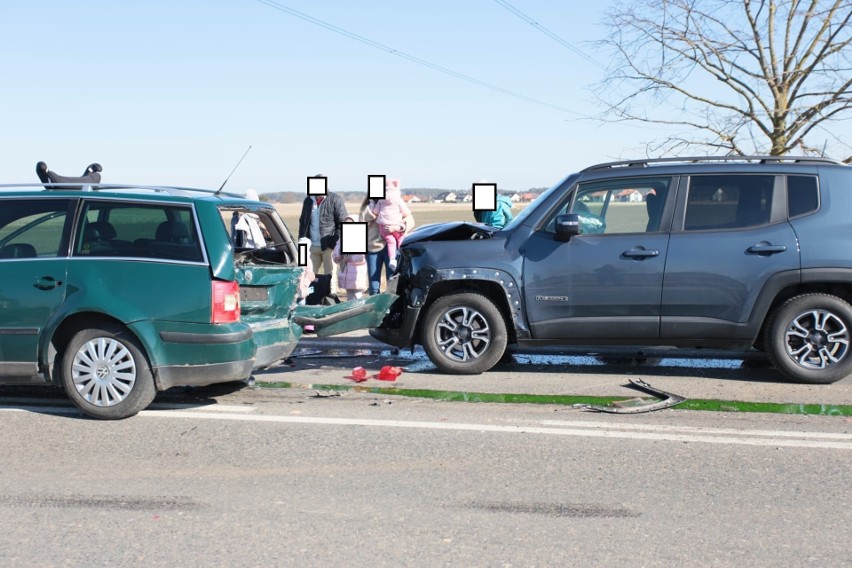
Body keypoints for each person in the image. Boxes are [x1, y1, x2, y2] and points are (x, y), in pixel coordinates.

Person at [297, 175, 348, 294]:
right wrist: (302, 242)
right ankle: (309, 299)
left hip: (328, 246)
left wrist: (334, 243)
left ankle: (330, 299)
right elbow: (303, 221)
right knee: (307, 276)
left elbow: (342, 222)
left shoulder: (335, 199)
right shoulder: (308, 201)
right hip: (311, 246)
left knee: (329, 277)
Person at [360, 195, 414, 295]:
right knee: (373, 285)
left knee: (392, 281)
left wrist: (398, 227)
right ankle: (375, 307)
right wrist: (374, 214)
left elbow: (410, 218)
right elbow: (361, 222)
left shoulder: (395, 200)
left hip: (392, 248)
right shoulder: (367, 206)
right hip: (373, 247)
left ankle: (392, 308)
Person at [370, 178, 412, 272]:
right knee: (401, 240)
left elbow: (410, 221)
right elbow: (407, 213)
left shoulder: (380, 200)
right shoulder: (398, 200)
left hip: (384, 228)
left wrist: (397, 227)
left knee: (392, 241)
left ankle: (394, 258)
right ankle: (401, 255)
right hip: (375, 246)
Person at [332, 215, 369, 301]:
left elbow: (362, 257)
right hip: (346, 271)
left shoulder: (361, 239)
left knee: (357, 293)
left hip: (357, 272)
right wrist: (337, 257)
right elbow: (337, 249)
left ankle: (358, 309)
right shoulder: (342, 238)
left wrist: (349, 258)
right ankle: (350, 309)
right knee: (349, 293)